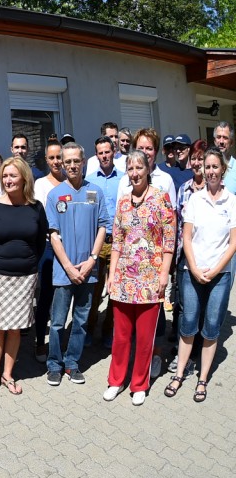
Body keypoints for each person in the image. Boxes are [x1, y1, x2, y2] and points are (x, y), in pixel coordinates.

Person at [104, 151, 175, 406]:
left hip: (150, 279)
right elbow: (117, 241)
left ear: (148, 170)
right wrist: (111, 275)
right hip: (123, 279)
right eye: (131, 169)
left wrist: (164, 273)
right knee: (121, 336)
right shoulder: (123, 201)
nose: (135, 173)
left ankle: (139, 384)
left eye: (139, 168)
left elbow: (169, 240)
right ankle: (115, 381)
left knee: (145, 339)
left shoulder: (161, 198)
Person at [167, 149, 236, 402]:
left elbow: (233, 243)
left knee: (211, 328)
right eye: (208, 167)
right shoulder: (195, 199)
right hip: (192, 272)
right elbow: (186, 237)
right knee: (188, 324)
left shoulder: (232, 201)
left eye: (215, 167)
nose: (211, 171)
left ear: (223, 169)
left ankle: (203, 379)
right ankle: (179, 374)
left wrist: (216, 270)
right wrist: (195, 269)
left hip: (220, 275)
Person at [0, 156, 47, 397]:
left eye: (13, 175)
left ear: (24, 178)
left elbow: (40, 242)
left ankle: (8, 374)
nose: (8, 180)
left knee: (16, 328)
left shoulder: (36, 207)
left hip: (26, 277)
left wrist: (29, 264)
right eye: (4, 176)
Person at [44, 143, 109, 386]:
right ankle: (54, 365)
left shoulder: (96, 192)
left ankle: (72, 363)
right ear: (62, 163)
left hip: (88, 270)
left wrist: (92, 259)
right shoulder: (55, 195)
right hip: (64, 272)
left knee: (81, 321)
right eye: (67, 161)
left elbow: (102, 226)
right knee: (58, 322)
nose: (72, 165)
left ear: (83, 162)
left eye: (76, 161)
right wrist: (69, 268)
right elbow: (53, 235)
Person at [170, 139, 208, 378]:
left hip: (208, 256)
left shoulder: (215, 189)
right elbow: (177, 225)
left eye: (200, 159)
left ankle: (198, 353)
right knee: (184, 306)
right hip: (185, 255)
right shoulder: (183, 189)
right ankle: (182, 352)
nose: (196, 163)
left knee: (203, 306)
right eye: (194, 158)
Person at [86, 135, 124, 347]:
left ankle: (109, 331)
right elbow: (90, 210)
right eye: (100, 153)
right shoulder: (91, 180)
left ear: (114, 152)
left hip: (118, 241)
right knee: (94, 289)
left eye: (107, 152)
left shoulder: (124, 179)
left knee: (115, 290)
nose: (104, 156)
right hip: (98, 241)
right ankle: (89, 330)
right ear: (96, 155)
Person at [31, 138, 65, 363]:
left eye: (58, 157)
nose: (56, 161)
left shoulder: (70, 183)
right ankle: (40, 342)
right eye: (51, 158)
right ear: (46, 160)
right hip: (47, 246)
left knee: (63, 295)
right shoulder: (41, 185)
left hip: (69, 245)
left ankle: (59, 339)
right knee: (45, 296)